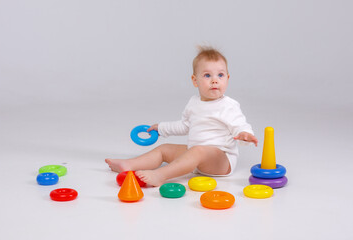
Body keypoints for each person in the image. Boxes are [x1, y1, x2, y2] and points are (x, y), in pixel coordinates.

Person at [105, 46, 258, 187]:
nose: (214, 80)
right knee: (165, 149)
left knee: (197, 151)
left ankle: (160, 175)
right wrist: (162, 128)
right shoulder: (193, 103)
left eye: (220, 75)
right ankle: (129, 165)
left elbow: (239, 124)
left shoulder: (228, 106)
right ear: (195, 80)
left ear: (227, 78)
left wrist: (245, 134)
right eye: (207, 75)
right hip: (196, 156)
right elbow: (185, 125)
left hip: (221, 161)